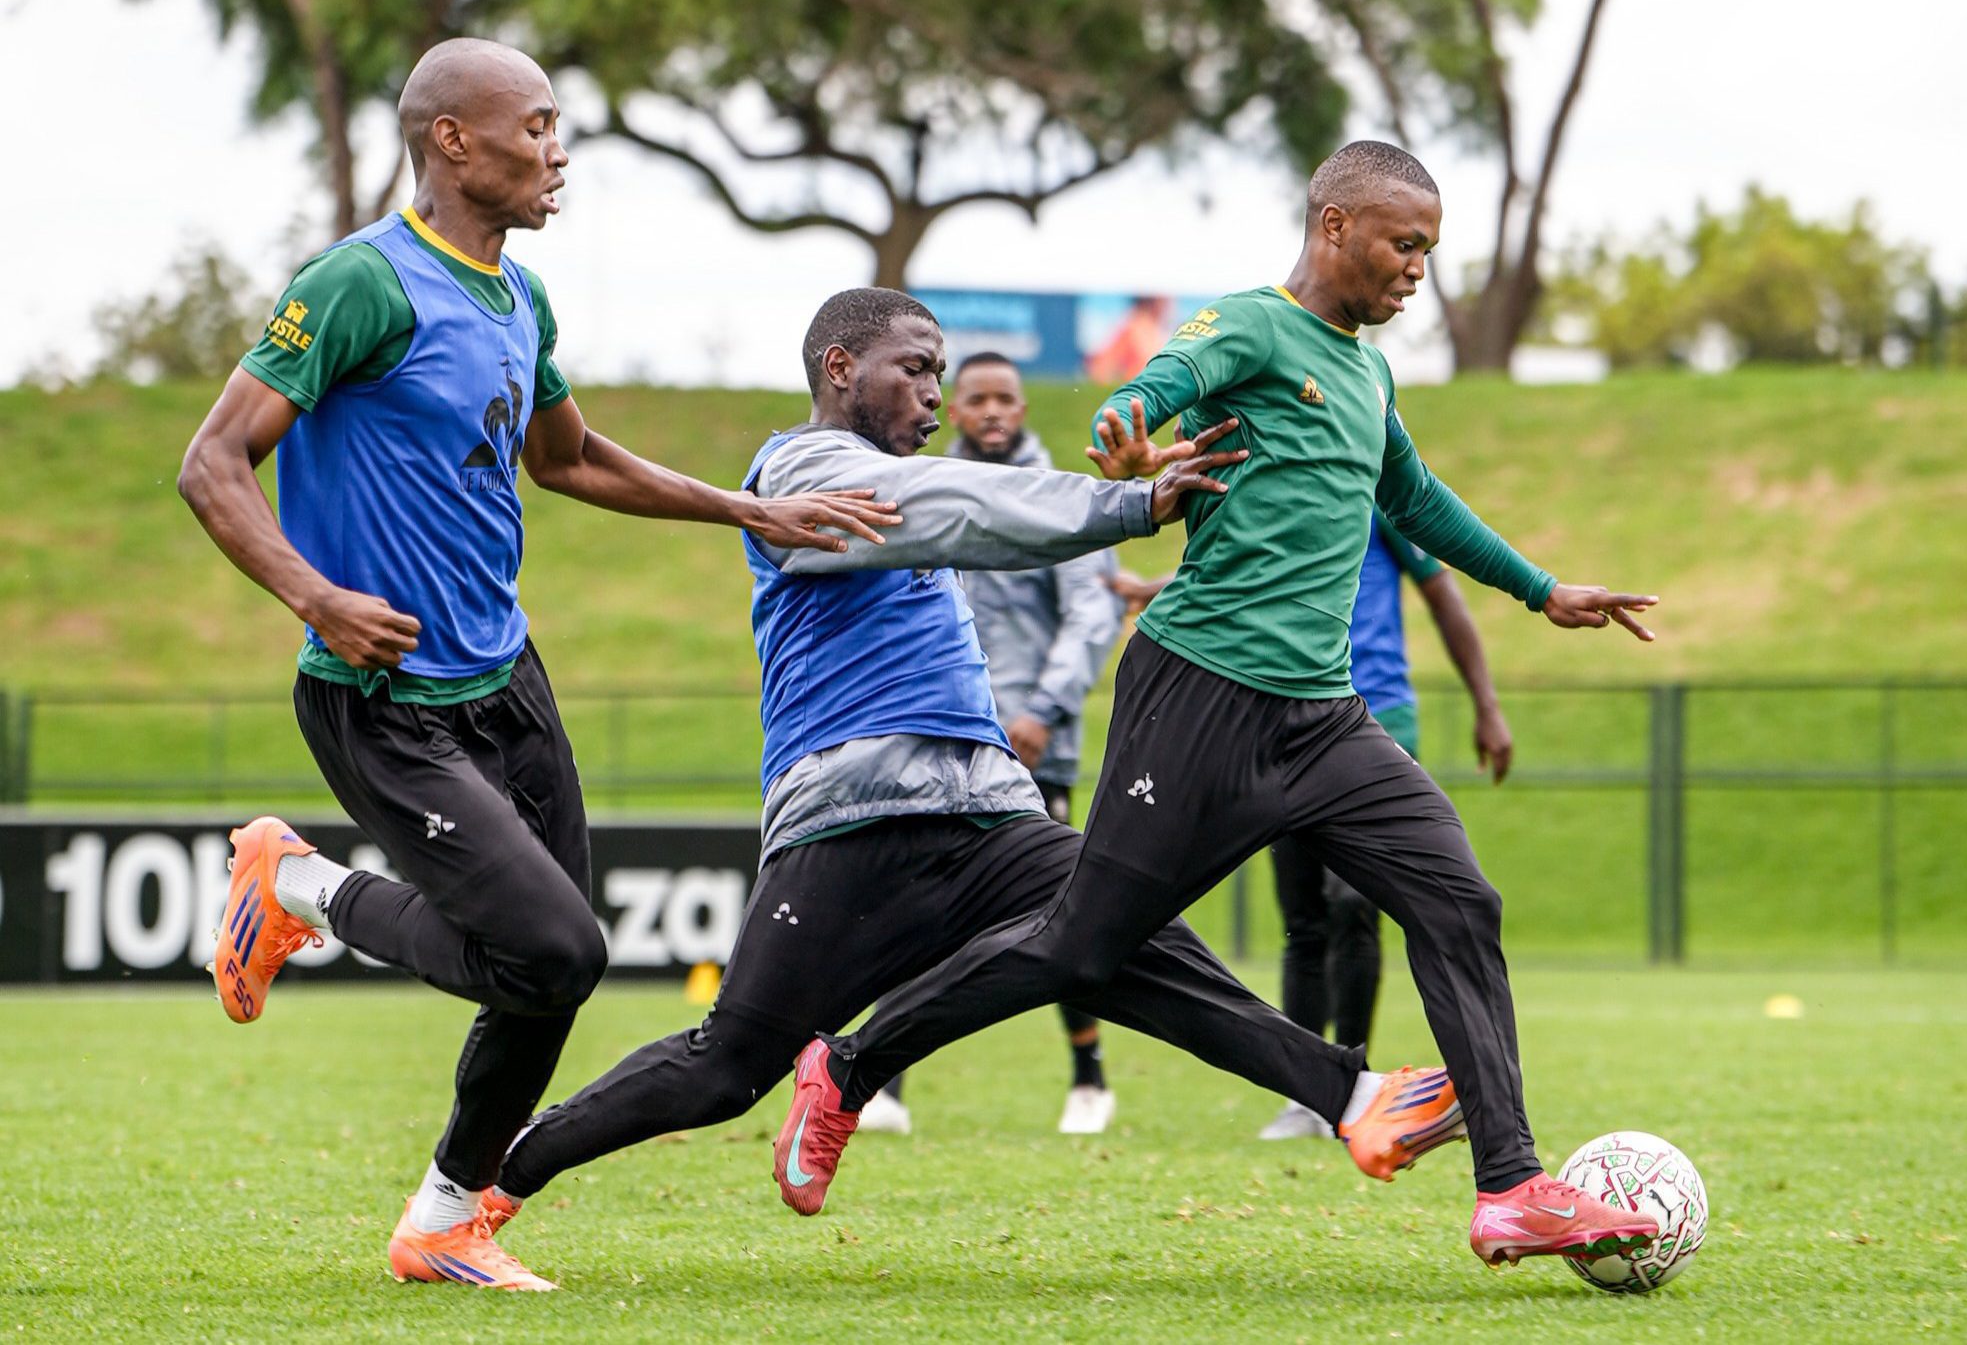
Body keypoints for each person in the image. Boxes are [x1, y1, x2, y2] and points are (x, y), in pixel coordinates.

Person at [776, 141, 1665, 1270]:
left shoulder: (1366, 373)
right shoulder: (1249, 324)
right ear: (1335, 224)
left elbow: (1419, 501)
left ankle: (1509, 1184)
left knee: (1460, 901)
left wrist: (1545, 591)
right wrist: (1126, 437)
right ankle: (846, 1070)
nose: (1415, 272)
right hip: (1197, 694)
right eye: (1403, 244)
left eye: (1430, 253)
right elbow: (1142, 396)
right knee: (1080, 944)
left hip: (1324, 718)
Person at [473, 288, 1456, 1255]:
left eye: (940, 373)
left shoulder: (912, 476)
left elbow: (992, 519)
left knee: (1121, 939)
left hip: (984, 809)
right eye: (914, 369)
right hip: (851, 819)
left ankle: (1352, 1095)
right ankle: (500, 1172)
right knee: (724, 1069)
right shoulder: (799, 465)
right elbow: (952, 501)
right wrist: (1129, 501)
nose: (934, 394)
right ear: (839, 368)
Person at [177, 39, 896, 1292]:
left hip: (506, 680)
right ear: (454, 140)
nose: (558, 152)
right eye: (539, 126)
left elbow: (569, 459)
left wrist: (746, 507)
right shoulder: (362, 283)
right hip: (380, 695)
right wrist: (316, 596)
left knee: (548, 975)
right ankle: (290, 883)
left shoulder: (520, 301)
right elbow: (212, 460)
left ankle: (444, 1220)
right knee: (557, 950)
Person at [860, 352, 1125, 1139]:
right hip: (943, 735)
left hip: (1033, 746)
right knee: (908, 907)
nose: (992, 410)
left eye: (1006, 396)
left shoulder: (1059, 498)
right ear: (955, 408)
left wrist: (1043, 710)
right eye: (976, 398)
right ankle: (883, 1083)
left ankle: (1089, 1076)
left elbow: (1091, 613)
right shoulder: (929, 486)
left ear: (1023, 408)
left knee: (1060, 911)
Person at [1257, 512, 1514, 1140]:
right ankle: (1307, 1097)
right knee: (1303, 916)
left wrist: (1487, 705)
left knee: (1354, 906)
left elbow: (1442, 592)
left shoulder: (1374, 490)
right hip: (1283, 720)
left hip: (1375, 723)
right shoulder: (1274, 486)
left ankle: (1354, 1083)